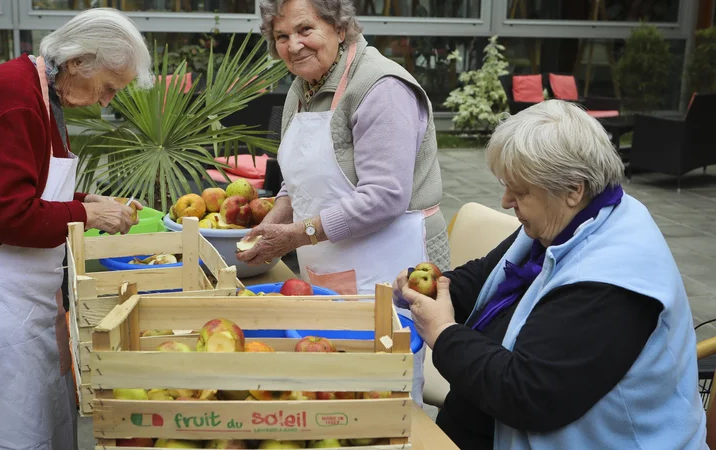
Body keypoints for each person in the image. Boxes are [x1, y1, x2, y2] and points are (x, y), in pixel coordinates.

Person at [394, 100, 707, 449]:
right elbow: (488, 276)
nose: (506, 200)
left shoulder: (611, 281)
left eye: (521, 191)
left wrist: (442, 331)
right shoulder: (573, 220)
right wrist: (430, 287)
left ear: (573, 189)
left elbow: (526, 395)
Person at [0, 8, 152, 449]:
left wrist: (86, 202)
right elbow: (6, 214)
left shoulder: (42, 94)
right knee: (18, 430)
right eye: (108, 87)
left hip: (22, 290)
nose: (107, 101)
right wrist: (87, 216)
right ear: (78, 61)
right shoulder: (13, 100)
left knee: (47, 415)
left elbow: (29, 186)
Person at [237, 0, 450, 406]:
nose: (293, 45)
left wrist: (297, 235)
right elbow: (298, 180)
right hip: (331, 265)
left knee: (384, 394)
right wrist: (274, 223)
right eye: (281, 36)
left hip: (392, 269)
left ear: (339, 27)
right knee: (333, 390)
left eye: (305, 30)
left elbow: (385, 196)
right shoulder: (302, 88)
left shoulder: (380, 87)